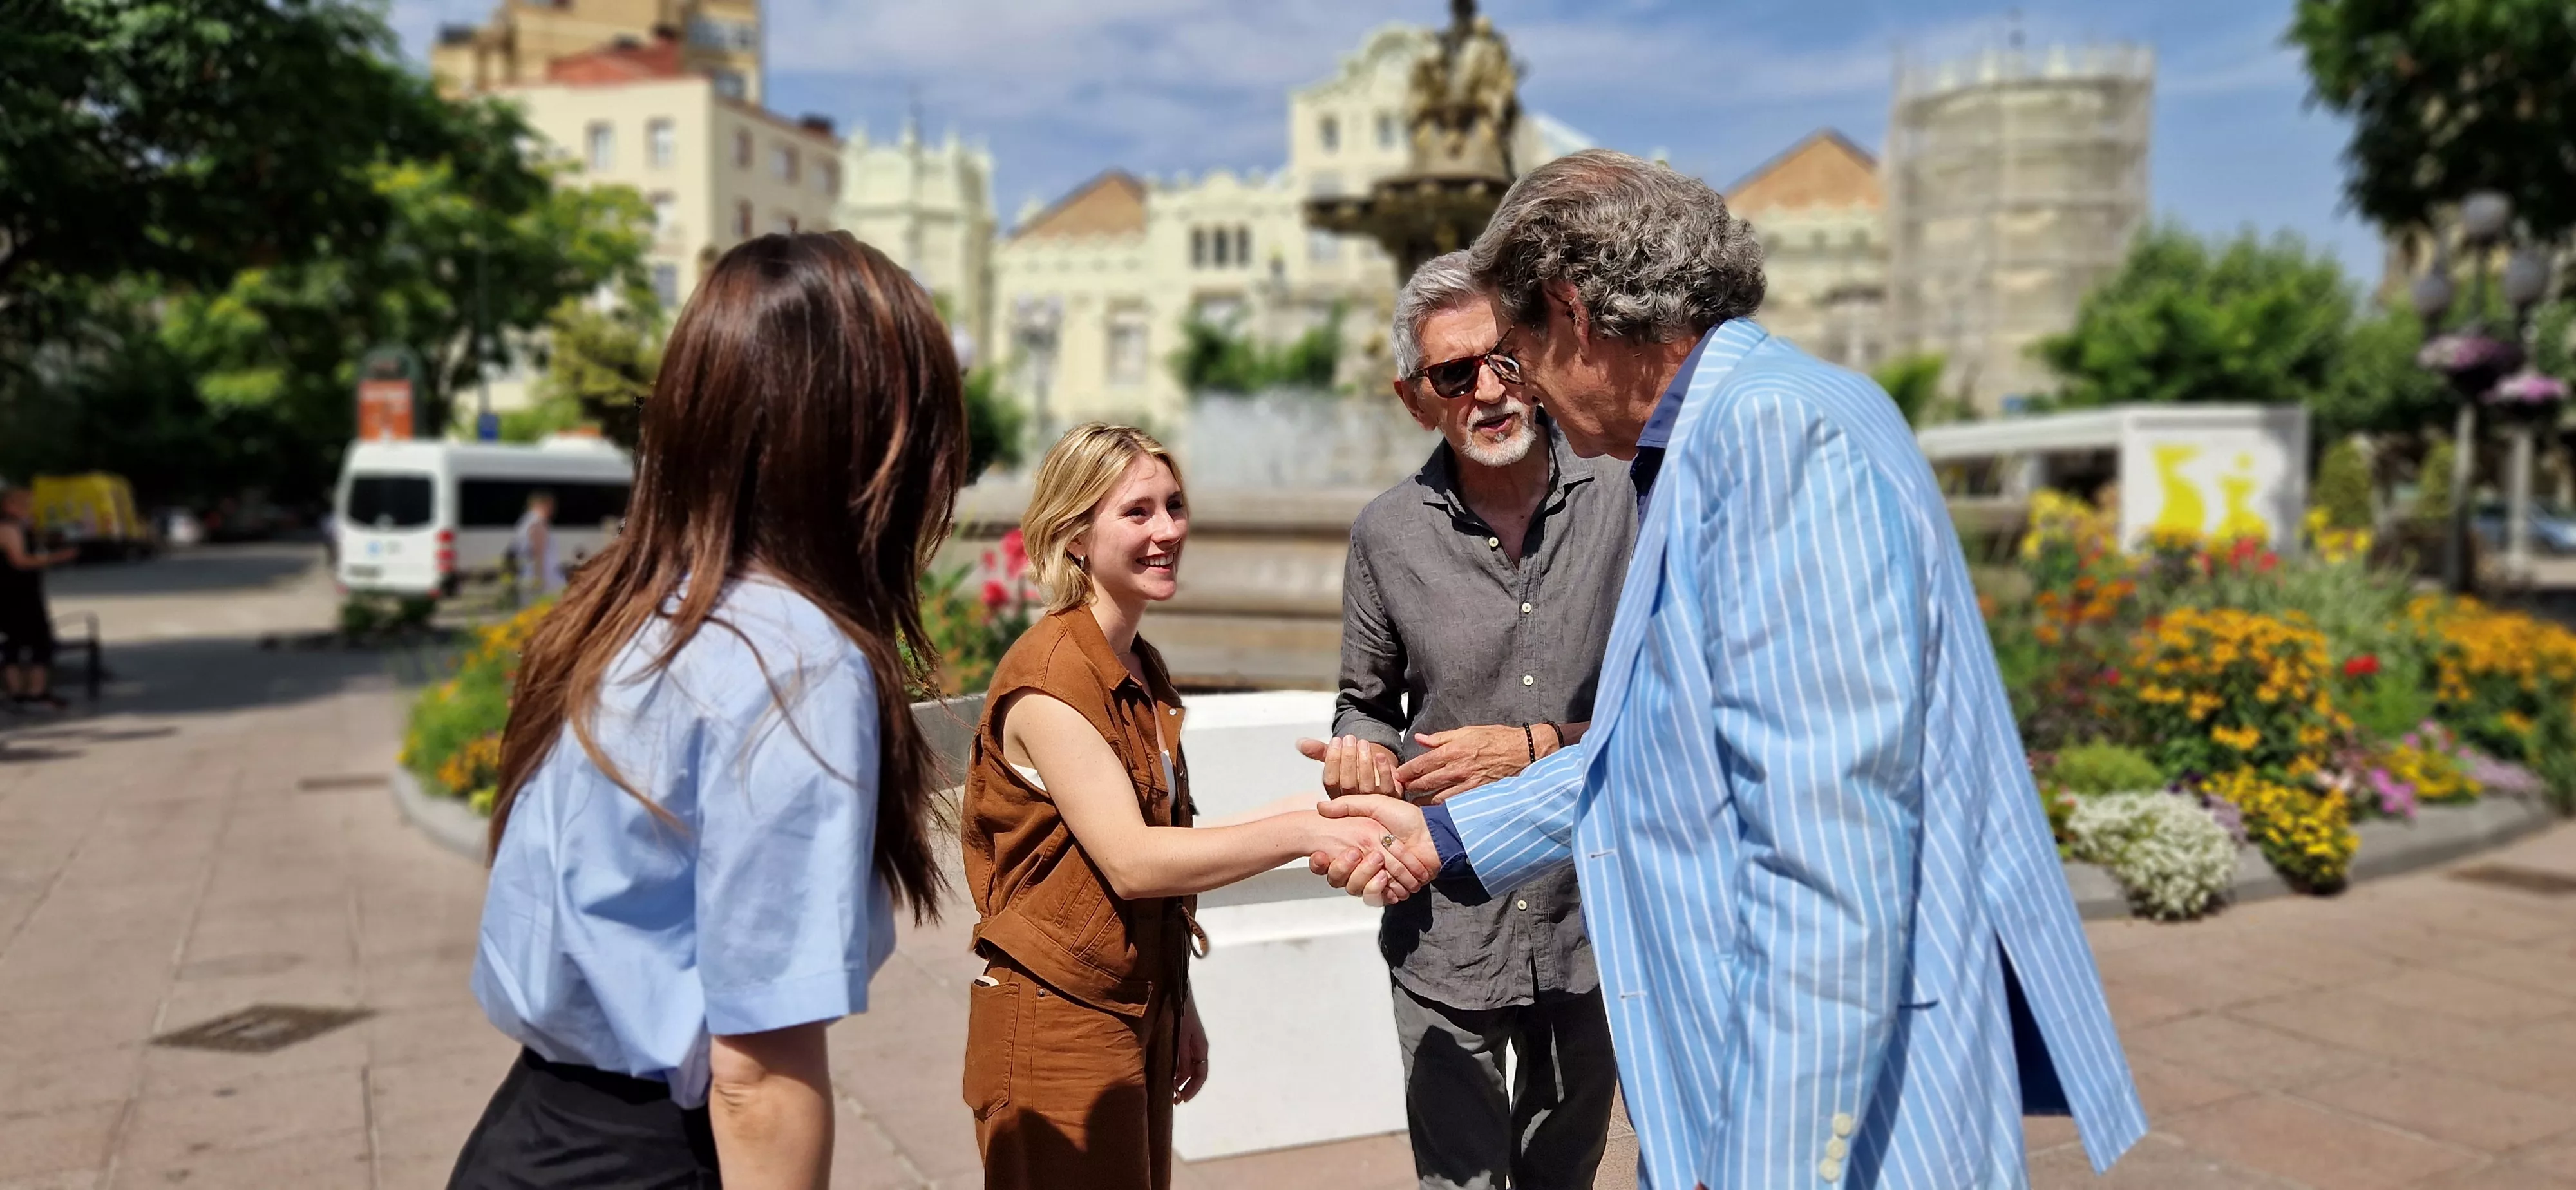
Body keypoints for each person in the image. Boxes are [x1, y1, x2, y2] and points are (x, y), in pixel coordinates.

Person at [1314, 150, 2148, 1189]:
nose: (1513, 388)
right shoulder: (1740, 424)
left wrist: (1768, 1164)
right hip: (1766, 1067)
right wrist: (1442, 833)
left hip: (1817, 1104)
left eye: (1517, 352)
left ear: (1571, 312)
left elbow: (1831, 860)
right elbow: (1663, 740)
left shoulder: (1774, 434)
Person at [450, 231, 967, 1189]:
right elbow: (756, 1078)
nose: (945, 468)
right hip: (650, 1161)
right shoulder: (791, 658)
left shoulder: (635, 606)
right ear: (860, 440)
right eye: (932, 425)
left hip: (528, 1136)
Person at [960, 423, 1423, 1190]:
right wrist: (1302, 830)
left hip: (1133, 1006)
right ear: (1075, 535)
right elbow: (1134, 863)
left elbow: (1168, 843)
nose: (1168, 530)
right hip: (1056, 1025)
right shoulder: (1049, 681)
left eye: (1173, 506)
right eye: (1136, 513)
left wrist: (1339, 813)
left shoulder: (1136, 666)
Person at [1299, 252, 1631, 1190]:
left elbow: (1668, 703)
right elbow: (1365, 699)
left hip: (1588, 913)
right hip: (1445, 915)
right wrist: (1360, 750)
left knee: (1562, 1174)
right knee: (1460, 1182)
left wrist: (1535, 748)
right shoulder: (1386, 534)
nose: (1489, 390)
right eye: (1456, 374)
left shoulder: (1624, 499)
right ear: (1418, 399)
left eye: (1506, 360)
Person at [0, 487, 78, 711]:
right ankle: (33, 693)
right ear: (9, 505)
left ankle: (21, 694)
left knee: (16, 643)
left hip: (19, 593)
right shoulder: (8, 528)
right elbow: (20, 561)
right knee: (37, 642)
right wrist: (56, 558)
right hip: (16, 594)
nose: (29, 508)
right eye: (24, 504)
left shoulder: (19, 526)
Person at [511, 490, 560, 598]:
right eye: (550, 506)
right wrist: (539, 580)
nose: (552, 510)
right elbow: (539, 553)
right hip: (543, 576)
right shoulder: (537, 523)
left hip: (527, 574)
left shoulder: (524, 523)